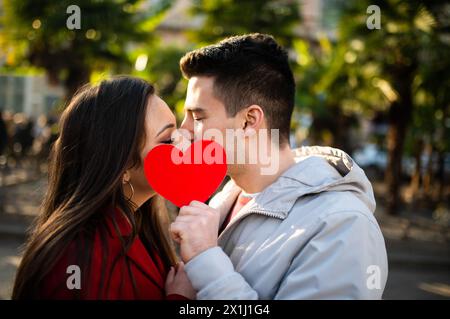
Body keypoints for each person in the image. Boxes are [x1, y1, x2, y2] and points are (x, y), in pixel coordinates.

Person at [170, 33, 388, 299]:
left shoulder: (343, 225)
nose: (184, 130)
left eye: (197, 116)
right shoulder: (223, 200)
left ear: (249, 120)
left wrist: (205, 261)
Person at [12, 76, 195, 300]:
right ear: (123, 164)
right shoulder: (75, 257)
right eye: (168, 140)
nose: (185, 146)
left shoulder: (139, 228)